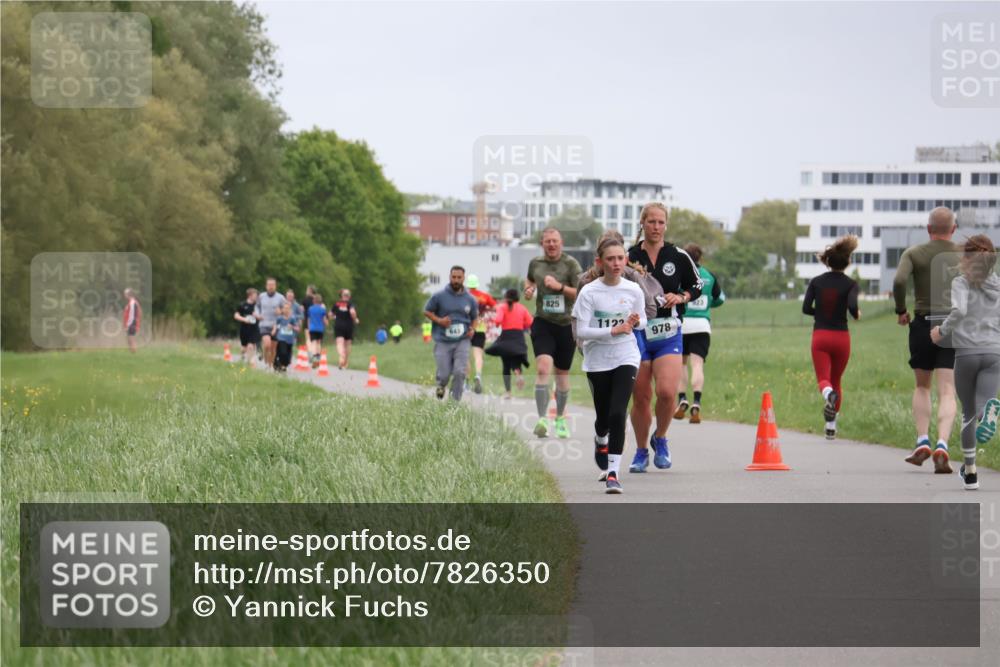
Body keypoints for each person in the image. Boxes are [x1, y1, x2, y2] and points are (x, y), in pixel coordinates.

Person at [626, 203, 703, 472]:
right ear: (642, 224)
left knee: (668, 392)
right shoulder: (630, 256)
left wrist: (681, 297)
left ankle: (661, 438)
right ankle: (640, 451)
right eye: (651, 222)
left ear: (666, 225)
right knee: (642, 397)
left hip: (669, 331)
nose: (656, 227)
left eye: (661, 222)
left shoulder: (678, 255)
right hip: (638, 335)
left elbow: (697, 284)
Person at [572, 236, 647, 494]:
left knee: (618, 413)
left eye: (620, 258)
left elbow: (643, 321)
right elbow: (581, 330)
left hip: (626, 356)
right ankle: (600, 439)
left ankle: (614, 473)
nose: (616, 263)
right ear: (599, 262)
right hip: (596, 360)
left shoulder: (633, 289)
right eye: (610, 259)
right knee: (603, 417)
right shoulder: (589, 292)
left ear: (626, 260)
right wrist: (613, 331)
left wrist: (635, 323)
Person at [893, 207, 960, 473]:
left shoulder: (914, 253)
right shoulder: (964, 254)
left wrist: (901, 310)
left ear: (928, 228)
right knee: (948, 391)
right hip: (953, 326)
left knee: (922, 387)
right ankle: (942, 443)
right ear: (953, 229)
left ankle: (923, 440)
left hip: (922, 323)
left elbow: (899, 280)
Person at [931, 235, 1000, 490]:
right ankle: (989, 413)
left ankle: (971, 473)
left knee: (968, 413)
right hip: (994, 353)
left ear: (967, 259)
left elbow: (959, 311)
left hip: (966, 354)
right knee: (983, 405)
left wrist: (941, 331)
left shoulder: (961, 283)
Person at [525, 227, 583, 438]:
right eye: (548, 241)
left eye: (555, 241)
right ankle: (542, 419)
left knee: (561, 374)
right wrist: (529, 289)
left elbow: (580, 293)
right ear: (542, 243)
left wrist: (559, 287)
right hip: (543, 322)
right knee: (543, 369)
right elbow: (530, 279)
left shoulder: (571, 264)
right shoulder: (536, 264)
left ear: (561, 242)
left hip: (566, 324)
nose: (551, 244)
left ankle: (559, 418)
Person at [802, 236, 860, 440]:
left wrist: (820, 315)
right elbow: (852, 307)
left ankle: (828, 396)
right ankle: (831, 426)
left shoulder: (816, 282)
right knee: (836, 379)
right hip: (842, 338)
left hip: (821, 337)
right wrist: (856, 314)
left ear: (828, 261)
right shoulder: (851, 284)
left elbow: (805, 308)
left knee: (824, 380)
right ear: (847, 262)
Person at [674, 243, 725, 424]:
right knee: (697, 365)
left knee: (681, 365)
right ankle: (696, 402)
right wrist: (708, 303)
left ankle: (682, 399)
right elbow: (720, 299)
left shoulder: (681, 274)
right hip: (702, 326)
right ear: (700, 258)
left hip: (682, 324)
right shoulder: (709, 277)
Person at [424, 266, 479, 401]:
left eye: (459, 278)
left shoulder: (470, 299)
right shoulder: (439, 296)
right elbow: (427, 311)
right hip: (443, 340)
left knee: (460, 372)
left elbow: (475, 318)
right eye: (453, 277)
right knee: (444, 374)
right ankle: (441, 385)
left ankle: (454, 403)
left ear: (463, 278)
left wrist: (472, 329)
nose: (456, 280)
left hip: (462, 340)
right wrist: (439, 320)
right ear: (450, 277)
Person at [486, 289, 534, 399]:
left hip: (506, 337)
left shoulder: (502, 307)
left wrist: (498, 323)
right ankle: (518, 373)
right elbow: (530, 322)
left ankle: (508, 392)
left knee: (506, 365)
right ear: (518, 298)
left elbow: (498, 320)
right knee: (516, 361)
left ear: (506, 297)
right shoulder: (522, 308)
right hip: (518, 337)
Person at [465, 274, 497, 394]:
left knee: (465, 355)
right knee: (478, 355)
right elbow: (495, 307)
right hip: (480, 327)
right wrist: (486, 310)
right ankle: (478, 375)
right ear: (477, 284)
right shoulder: (484, 296)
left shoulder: (464, 296)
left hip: (466, 328)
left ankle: (466, 382)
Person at [254, 278, 286, 370]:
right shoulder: (261, 296)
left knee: (273, 348)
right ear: (266, 286)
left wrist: (281, 311)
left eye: (272, 285)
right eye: (269, 285)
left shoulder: (280, 297)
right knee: (267, 344)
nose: (271, 287)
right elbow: (257, 306)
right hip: (264, 324)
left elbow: (287, 309)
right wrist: (257, 314)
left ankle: (270, 365)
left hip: (276, 325)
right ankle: (264, 361)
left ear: (275, 286)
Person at [331, 289, 360, 370]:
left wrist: (334, 317)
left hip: (339, 325)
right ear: (349, 296)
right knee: (347, 344)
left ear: (341, 296)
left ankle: (341, 357)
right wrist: (355, 319)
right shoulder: (350, 304)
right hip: (348, 326)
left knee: (340, 343)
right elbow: (352, 312)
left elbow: (330, 314)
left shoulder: (336, 304)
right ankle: (345, 362)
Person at [234, 288, 260, 366]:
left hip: (254, 329)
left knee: (251, 346)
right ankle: (242, 357)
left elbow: (262, 316)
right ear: (250, 295)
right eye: (255, 295)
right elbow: (236, 315)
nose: (256, 297)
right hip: (244, 329)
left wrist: (257, 316)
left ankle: (250, 363)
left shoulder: (257, 306)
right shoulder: (242, 305)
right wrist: (244, 319)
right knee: (244, 348)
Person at [272, 302, 299, 372]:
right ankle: (278, 364)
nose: (286, 310)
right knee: (282, 352)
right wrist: (274, 330)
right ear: (282, 310)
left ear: (290, 310)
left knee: (287, 356)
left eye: (287, 308)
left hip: (290, 340)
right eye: (284, 308)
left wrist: (292, 327)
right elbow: (275, 325)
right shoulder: (280, 318)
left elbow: (297, 328)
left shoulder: (292, 319)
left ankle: (282, 365)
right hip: (281, 338)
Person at [306, 292, 327, 365]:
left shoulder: (310, 309)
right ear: (320, 301)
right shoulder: (322, 309)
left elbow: (308, 319)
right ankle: (318, 357)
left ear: (313, 300)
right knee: (318, 343)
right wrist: (326, 323)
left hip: (312, 328)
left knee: (313, 343)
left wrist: (308, 327)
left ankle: (314, 357)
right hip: (320, 329)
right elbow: (324, 320)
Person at [122, 288, 141, 353]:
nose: (124, 295)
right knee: (129, 339)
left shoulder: (132, 302)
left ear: (128, 294)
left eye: (125, 294)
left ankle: (134, 353)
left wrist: (128, 325)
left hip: (132, 323)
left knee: (131, 339)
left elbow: (132, 315)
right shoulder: (130, 302)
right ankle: (132, 352)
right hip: (131, 323)